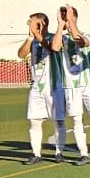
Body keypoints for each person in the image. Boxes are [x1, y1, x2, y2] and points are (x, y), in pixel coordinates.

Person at [52, 5, 90, 164]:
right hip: (70, 86)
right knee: (76, 120)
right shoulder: (62, 37)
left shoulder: (89, 34)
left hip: (88, 84)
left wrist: (71, 21)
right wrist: (60, 25)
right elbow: (54, 47)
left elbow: (81, 42)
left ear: (75, 17)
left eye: (68, 16)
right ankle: (84, 154)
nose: (66, 19)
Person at [18, 12, 57, 164]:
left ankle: (59, 153)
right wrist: (30, 37)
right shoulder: (32, 40)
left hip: (52, 84)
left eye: (34, 23)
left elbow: (52, 49)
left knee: (57, 120)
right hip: (36, 85)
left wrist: (37, 34)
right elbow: (21, 54)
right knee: (34, 121)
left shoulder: (54, 38)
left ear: (43, 23)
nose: (31, 25)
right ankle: (36, 153)